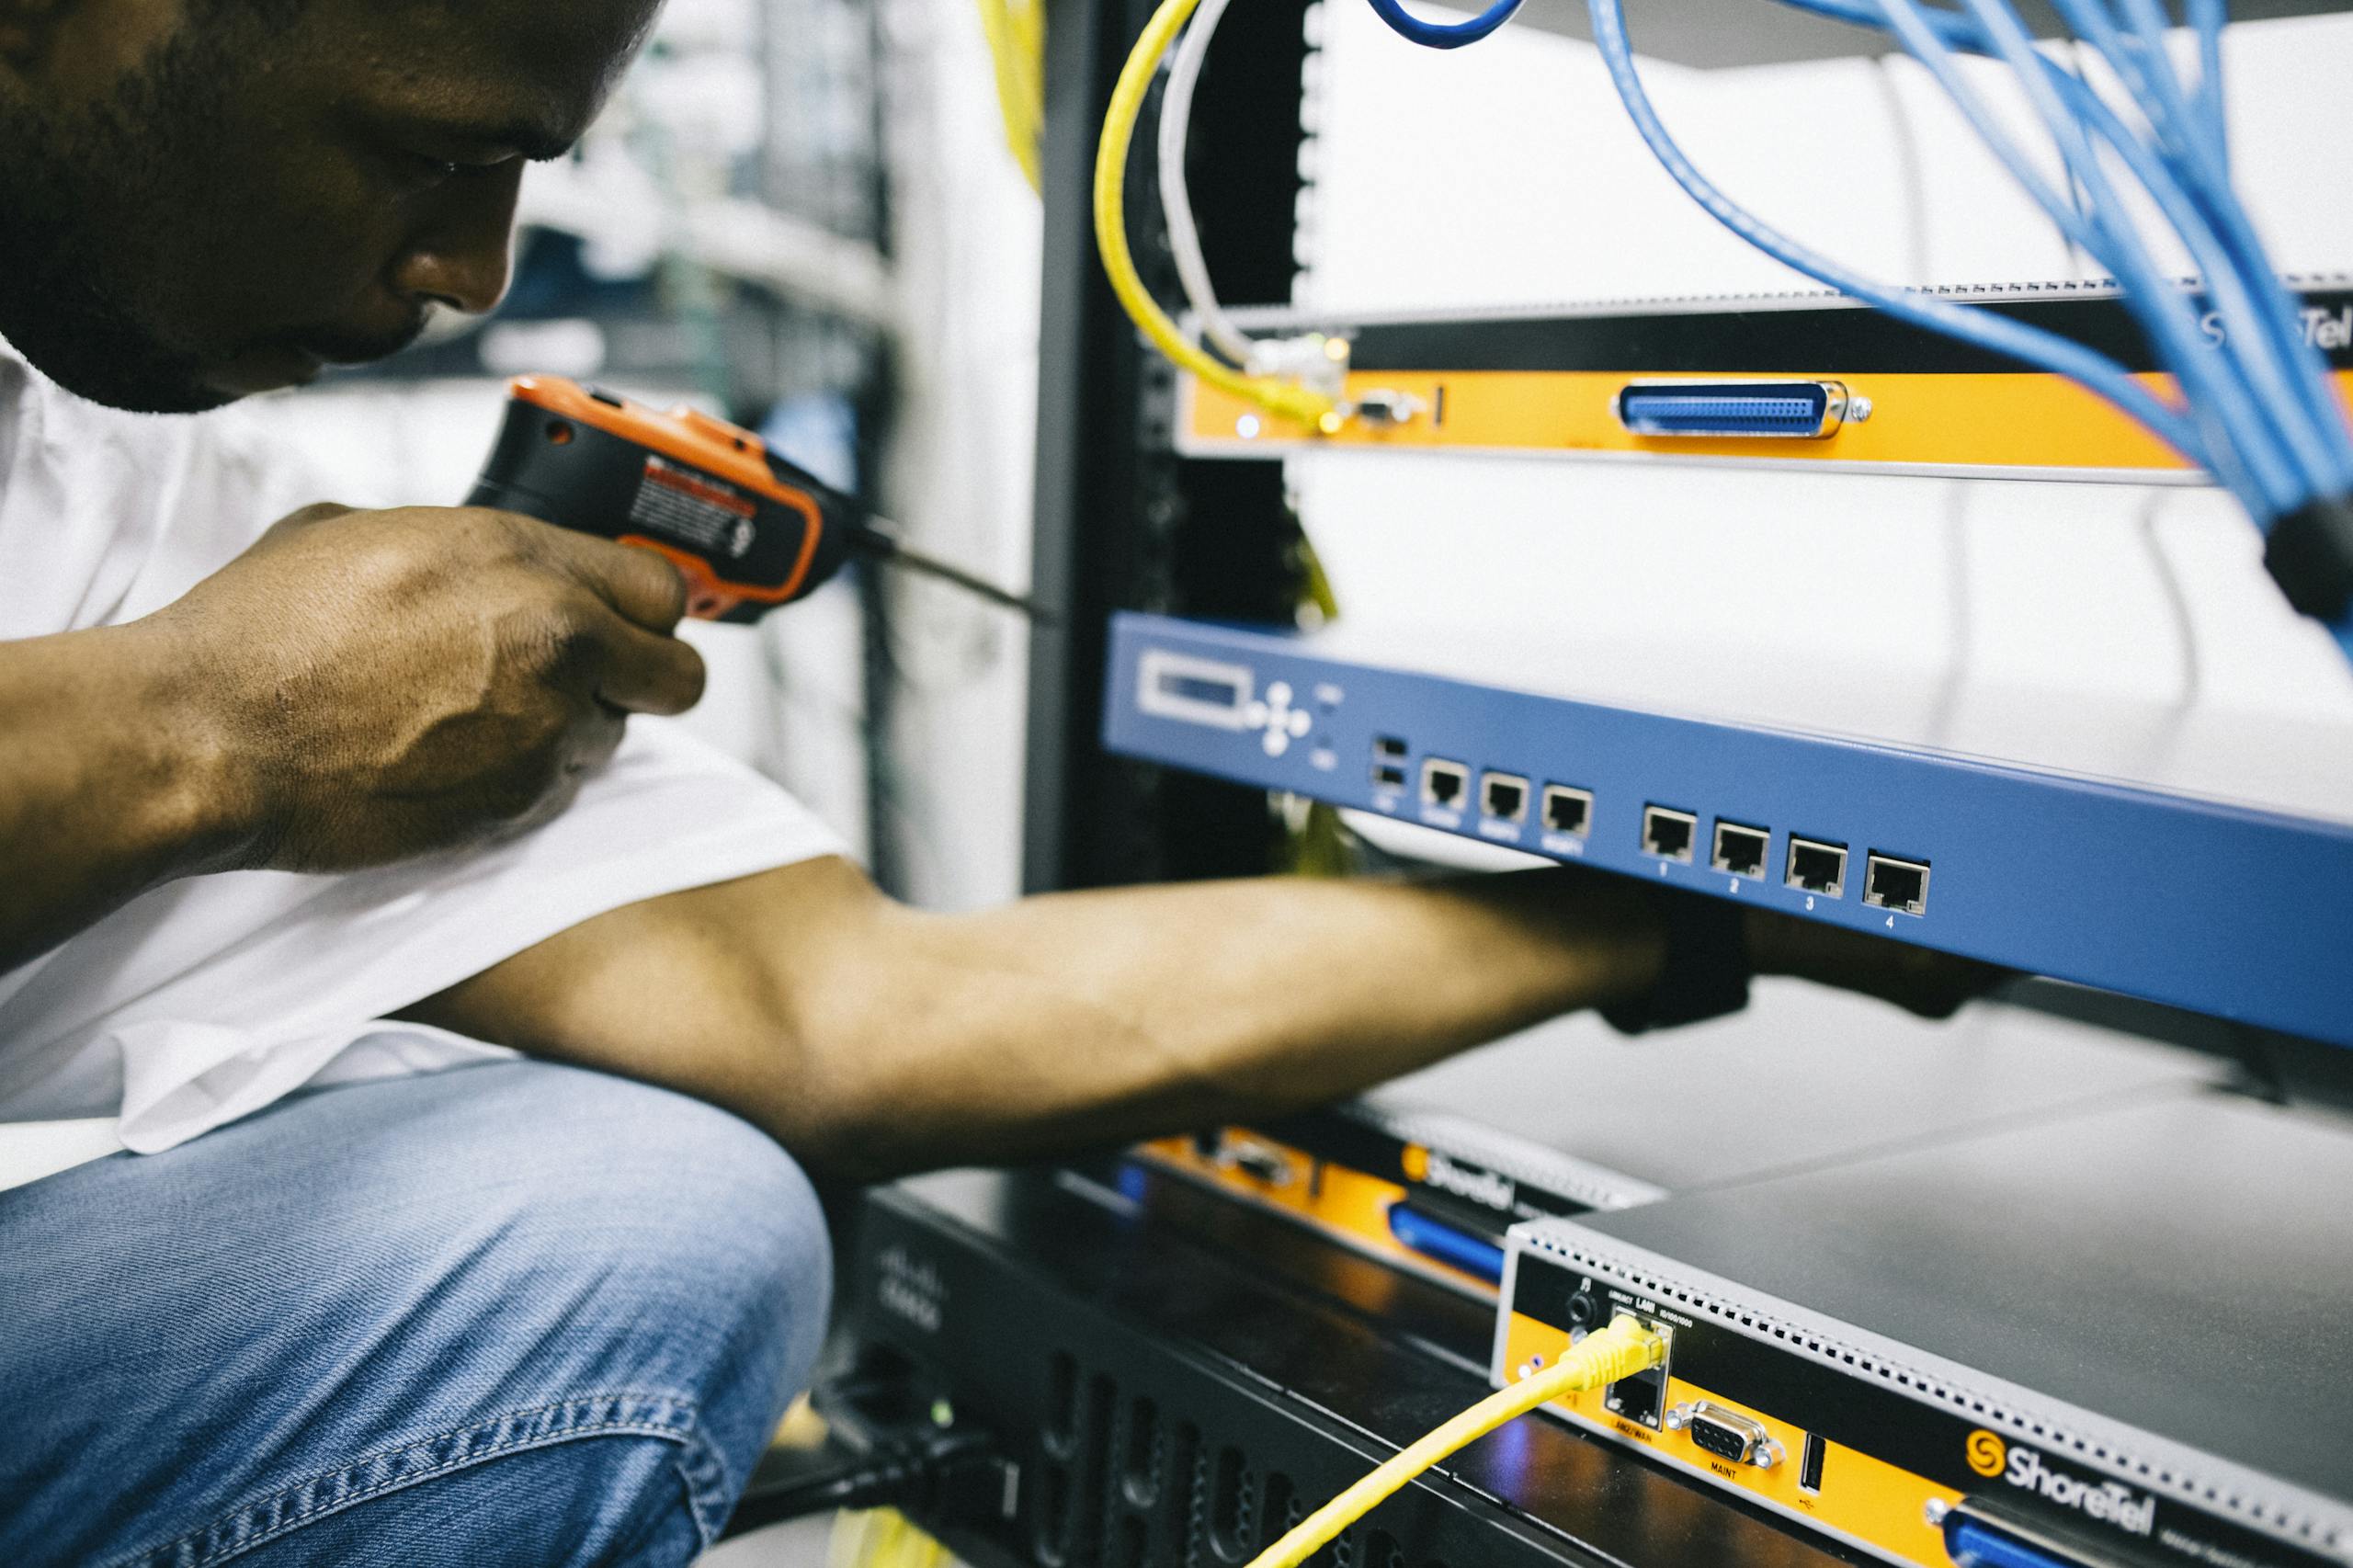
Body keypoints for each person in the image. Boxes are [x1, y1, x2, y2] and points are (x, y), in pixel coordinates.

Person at [0, 1, 1984, 1562]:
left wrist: (1678, 904)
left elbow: (842, 1009)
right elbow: (221, 707)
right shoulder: (216, 642)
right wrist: (209, 726)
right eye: (430, 147)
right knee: (617, 1243)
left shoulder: (120, 493)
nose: (465, 268)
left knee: (641, 1193)